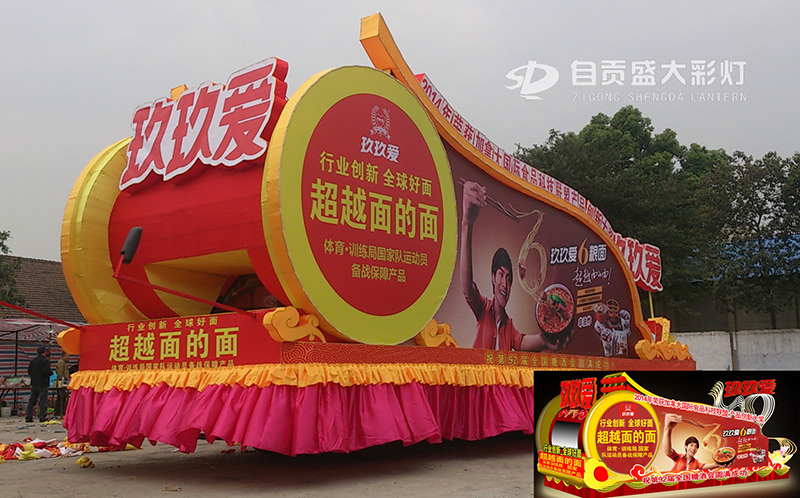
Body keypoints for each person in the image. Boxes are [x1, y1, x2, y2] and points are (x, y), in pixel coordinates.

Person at [460, 180, 570, 351]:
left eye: (509, 278)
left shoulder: (508, 325)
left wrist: (546, 340)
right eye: (501, 275)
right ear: (493, 278)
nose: (505, 283)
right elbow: (467, 288)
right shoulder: (483, 309)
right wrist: (467, 223)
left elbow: (521, 342)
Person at [26, 345, 52, 423]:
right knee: (43, 400)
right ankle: (42, 417)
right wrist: (51, 373)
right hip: (43, 383)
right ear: (44, 352)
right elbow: (46, 372)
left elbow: (29, 372)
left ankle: (28, 416)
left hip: (34, 383)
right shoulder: (45, 361)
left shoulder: (33, 361)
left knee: (32, 400)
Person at [55, 352, 71, 418]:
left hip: (63, 381)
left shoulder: (64, 363)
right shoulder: (61, 363)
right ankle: (59, 411)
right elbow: (60, 373)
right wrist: (63, 380)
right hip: (61, 382)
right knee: (61, 397)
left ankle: (60, 411)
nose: (68, 358)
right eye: (67, 356)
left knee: (63, 397)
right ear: (63, 356)